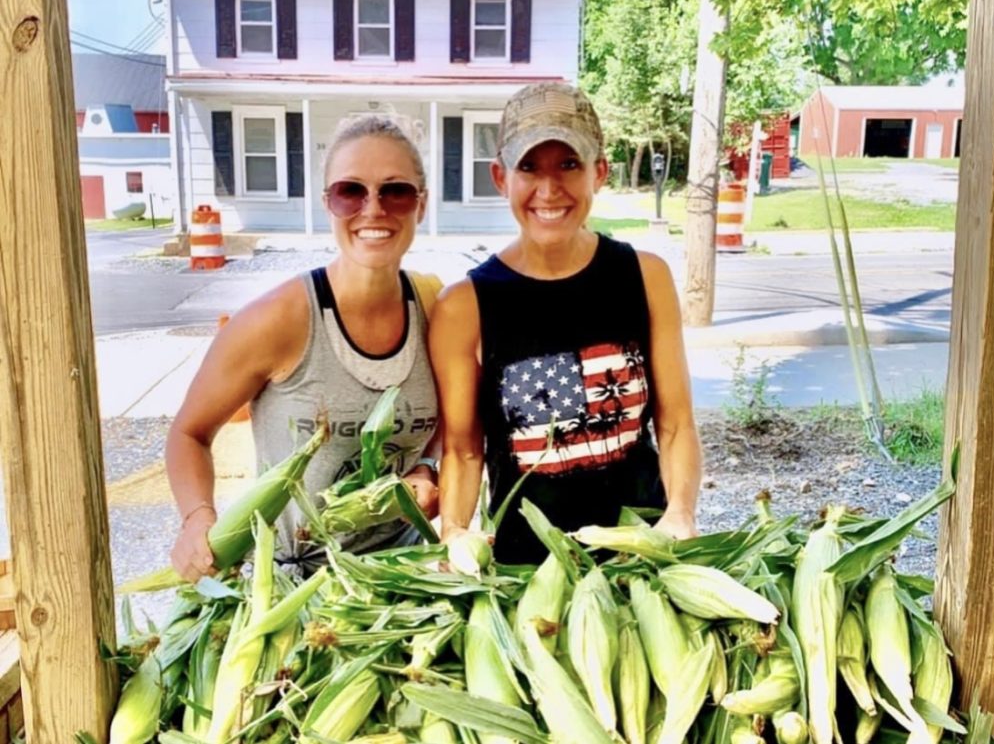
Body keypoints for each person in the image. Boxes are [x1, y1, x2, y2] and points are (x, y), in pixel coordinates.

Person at [430, 83, 702, 564]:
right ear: (500, 177)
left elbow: (676, 423)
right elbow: (463, 450)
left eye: (569, 165)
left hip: (642, 554)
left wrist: (679, 514)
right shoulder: (464, 306)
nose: (549, 189)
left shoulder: (644, 276)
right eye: (529, 167)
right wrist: (455, 531)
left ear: (599, 171)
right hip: (529, 569)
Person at [167, 116, 440, 583]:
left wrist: (430, 470)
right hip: (301, 589)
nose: (373, 209)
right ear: (327, 204)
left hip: (406, 579)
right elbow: (189, 433)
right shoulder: (279, 320)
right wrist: (197, 518)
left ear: (422, 204)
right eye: (349, 192)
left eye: (395, 192)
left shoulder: (434, 305)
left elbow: (455, 426)